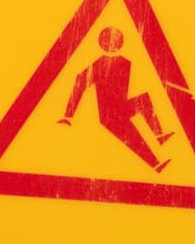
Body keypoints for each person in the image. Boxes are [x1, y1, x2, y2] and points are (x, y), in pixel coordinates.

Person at [59, 27, 173, 171]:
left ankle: (159, 135)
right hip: (109, 115)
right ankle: (156, 164)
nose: (114, 44)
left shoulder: (125, 61)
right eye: (111, 41)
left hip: (121, 106)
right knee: (133, 137)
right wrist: (69, 115)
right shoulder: (97, 65)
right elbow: (79, 84)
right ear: (103, 43)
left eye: (116, 40)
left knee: (144, 99)